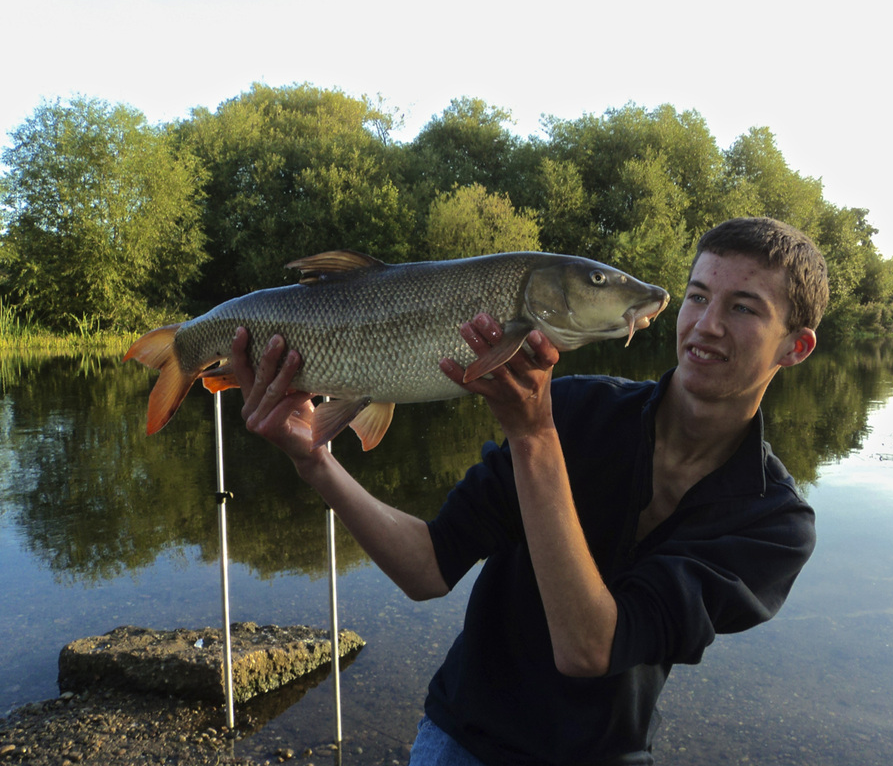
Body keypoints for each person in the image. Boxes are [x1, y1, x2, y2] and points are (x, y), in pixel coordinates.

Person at [231, 216, 829, 765]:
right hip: (461, 744)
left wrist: (534, 435)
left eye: (743, 308)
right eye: (697, 296)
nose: (706, 324)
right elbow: (427, 569)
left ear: (795, 346)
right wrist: (314, 462)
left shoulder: (774, 523)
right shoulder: (576, 409)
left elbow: (590, 649)